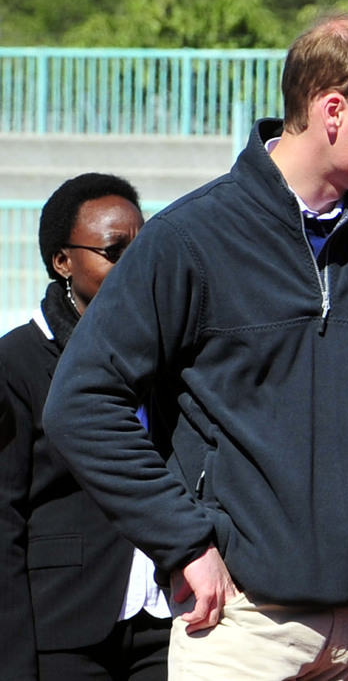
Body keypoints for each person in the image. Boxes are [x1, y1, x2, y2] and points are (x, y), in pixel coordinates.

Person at [42, 13, 348, 681]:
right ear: (333, 110)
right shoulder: (189, 238)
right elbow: (81, 403)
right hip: (239, 623)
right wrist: (184, 540)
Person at [0, 173, 171, 679]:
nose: (134, 266)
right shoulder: (17, 361)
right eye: (115, 251)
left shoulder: (172, 350)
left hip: (166, 618)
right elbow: (4, 519)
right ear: (63, 261)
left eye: (145, 248)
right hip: (67, 626)